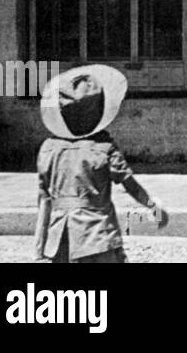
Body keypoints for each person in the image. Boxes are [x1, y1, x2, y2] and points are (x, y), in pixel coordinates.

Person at [34, 65, 169, 263]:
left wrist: (39, 249)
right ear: (99, 111)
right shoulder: (104, 148)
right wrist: (154, 208)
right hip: (97, 237)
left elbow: (44, 202)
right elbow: (130, 185)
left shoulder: (48, 149)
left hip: (60, 241)